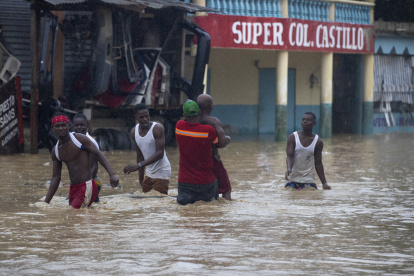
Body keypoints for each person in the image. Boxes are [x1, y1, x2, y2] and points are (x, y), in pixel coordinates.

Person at [44, 113, 119, 208]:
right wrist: (46, 202)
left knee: (73, 213)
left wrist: (112, 174)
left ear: (69, 126)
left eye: (63, 125)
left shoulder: (80, 139)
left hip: (87, 185)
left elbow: (98, 154)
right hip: (73, 188)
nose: (60, 128)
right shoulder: (56, 150)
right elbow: (56, 177)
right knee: (77, 216)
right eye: (57, 126)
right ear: (52, 128)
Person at [175, 99, 219, 205]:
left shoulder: (179, 126)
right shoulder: (209, 130)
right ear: (199, 112)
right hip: (207, 183)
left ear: (184, 115)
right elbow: (216, 144)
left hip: (185, 183)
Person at [123, 103, 171, 195]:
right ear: (135, 117)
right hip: (149, 173)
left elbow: (160, 153)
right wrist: (141, 179)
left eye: (147, 116)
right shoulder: (134, 132)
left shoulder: (157, 129)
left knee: (158, 203)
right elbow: (140, 155)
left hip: (162, 171)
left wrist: (139, 165)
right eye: (141, 117)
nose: (145, 119)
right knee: (147, 203)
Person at [197, 94, 232, 200]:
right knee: (226, 189)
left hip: (195, 160)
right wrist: (228, 139)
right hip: (212, 159)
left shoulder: (192, 120)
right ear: (210, 106)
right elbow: (221, 142)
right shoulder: (213, 121)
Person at [285, 112, 331, 190]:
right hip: (293, 179)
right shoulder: (292, 137)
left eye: (308, 120)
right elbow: (290, 156)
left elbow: (318, 163)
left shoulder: (318, 142)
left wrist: (324, 183)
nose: (305, 121)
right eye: (303, 119)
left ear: (314, 123)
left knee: (309, 196)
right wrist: (289, 169)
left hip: (309, 180)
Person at [73, 112, 102, 202]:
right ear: (73, 127)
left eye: (82, 125)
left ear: (87, 127)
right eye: (76, 125)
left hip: (93, 181)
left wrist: (86, 185)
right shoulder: (72, 141)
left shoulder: (91, 142)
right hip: (80, 182)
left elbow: (94, 167)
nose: (79, 127)